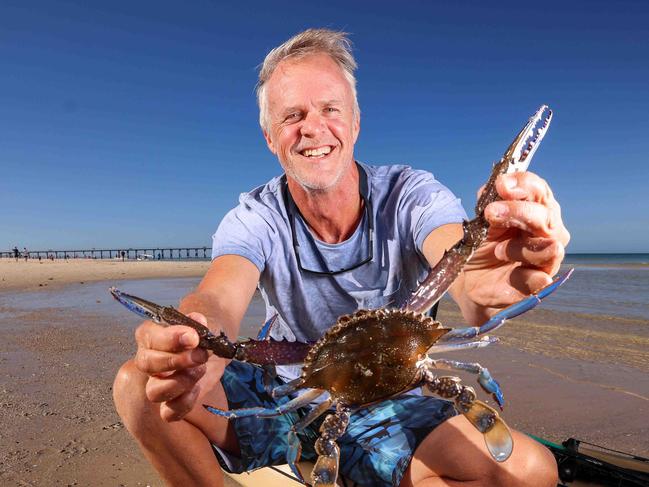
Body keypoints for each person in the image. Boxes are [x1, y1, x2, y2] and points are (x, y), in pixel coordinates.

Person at [113, 29, 570, 487]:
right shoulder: (256, 217)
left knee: (531, 473)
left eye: (330, 109)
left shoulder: (410, 196)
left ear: (355, 122)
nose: (313, 127)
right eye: (292, 115)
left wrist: (485, 276)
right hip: (287, 398)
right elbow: (219, 297)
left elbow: (463, 269)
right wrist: (192, 343)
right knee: (139, 387)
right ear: (270, 136)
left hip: (396, 400)